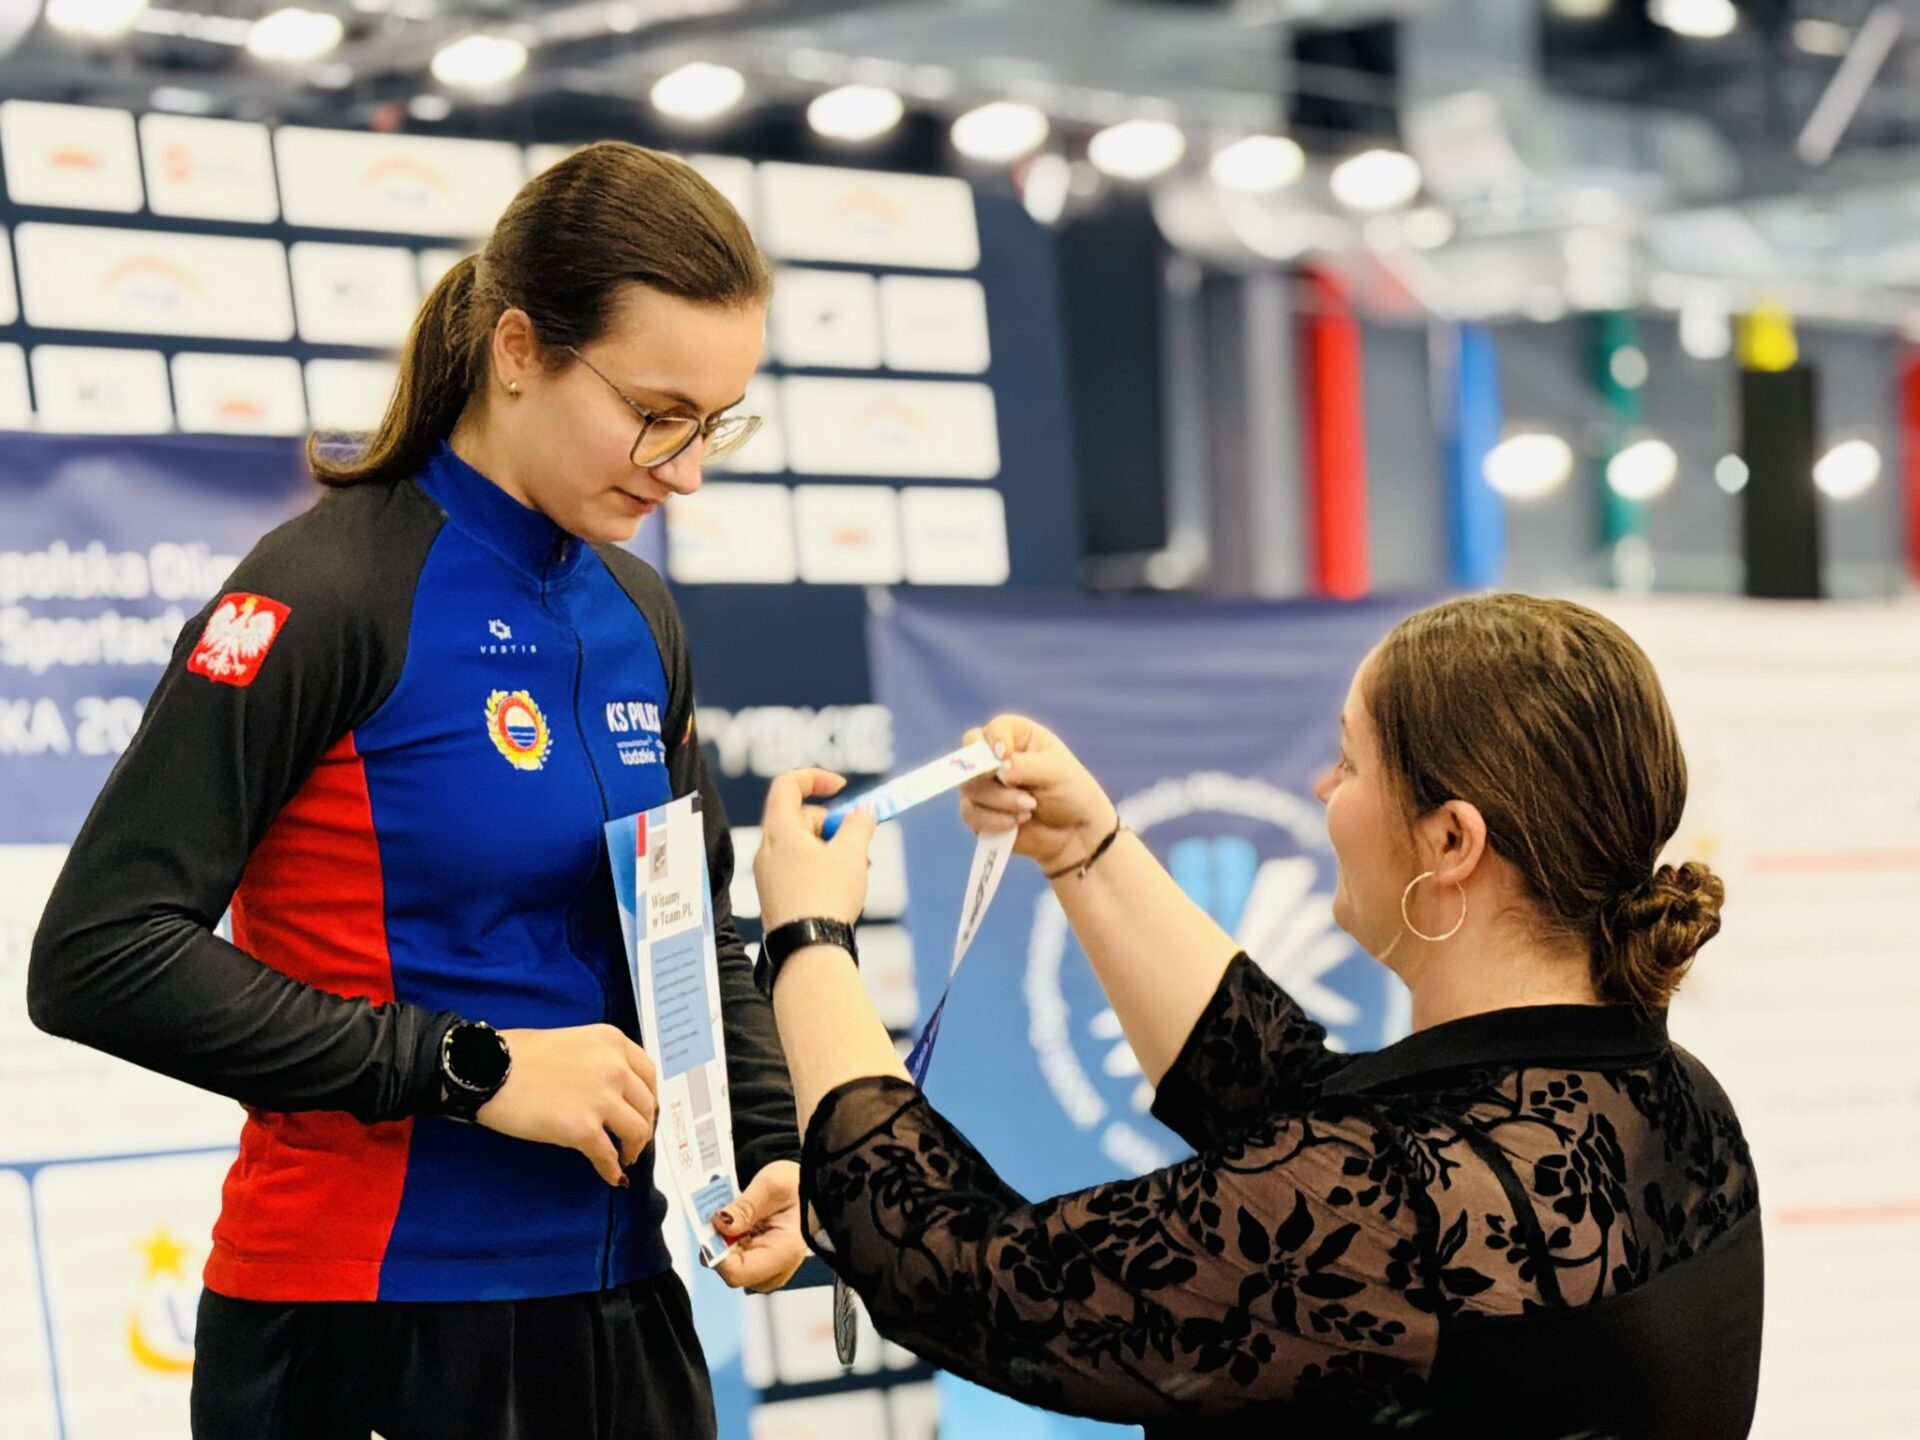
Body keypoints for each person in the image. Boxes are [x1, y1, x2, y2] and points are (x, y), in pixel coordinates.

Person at [27, 141, 806, 1440]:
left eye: (714, 422)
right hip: (359, 1319)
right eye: (655, 413)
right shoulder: (328, 590)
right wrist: (470, 1066)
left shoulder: (637, 612)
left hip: (620, 1300)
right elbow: (99, 957)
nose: (686, 470)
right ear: (519, 350)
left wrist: (770, 1144)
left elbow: (686, 933)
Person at [754, 593, 1763, 1438]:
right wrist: (1084, 850)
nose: (1324, 788)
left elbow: (964, 1274)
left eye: (1351, 763)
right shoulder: (1671, 1106)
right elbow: (1291, 1096)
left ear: (1452, 841)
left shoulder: (1394, 1203)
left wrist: (807, 936)